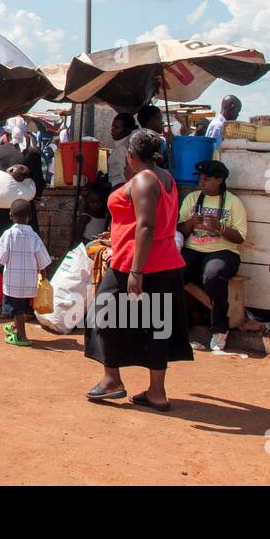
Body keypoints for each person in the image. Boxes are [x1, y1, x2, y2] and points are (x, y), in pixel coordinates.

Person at [84, 128, 192, 410]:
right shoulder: (165, 177)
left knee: (102, 315)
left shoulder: (144, 179)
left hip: (136, 263)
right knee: (155, 325)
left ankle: (112, 380)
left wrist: (136, 271)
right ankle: (157, 392)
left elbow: (146, 225)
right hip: (164, 261)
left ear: (132, 155)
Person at [177, 159, 248, 351]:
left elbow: (240, 237)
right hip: (193, 249)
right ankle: (178, 326)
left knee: (214, 274)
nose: (201, 182)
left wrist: (220, 227)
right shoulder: (192, 198)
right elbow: (179, 231)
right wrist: (191, 223)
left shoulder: (233, 203)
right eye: (200, 178)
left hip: (223, 251)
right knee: (174, 270)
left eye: (206, 179)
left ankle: (219, 329)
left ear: (220, 179)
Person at [0, 198, 54, 347]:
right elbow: (41, 257)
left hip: (13, 280)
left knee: (17, 310)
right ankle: (14, 327)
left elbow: (1, 255)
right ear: (29, 217)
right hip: (29, 281)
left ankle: (21, 336)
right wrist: (42, 271)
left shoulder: (9, 234)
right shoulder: (34, 236)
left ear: (10, 216)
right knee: (20, 307)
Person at [106, 112, 137, 186]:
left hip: (118, 187)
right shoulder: (122, 144)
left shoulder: (123, 148)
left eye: (117, 128)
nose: (112, 130)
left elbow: (125, 178)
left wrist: (109, 185)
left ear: (128, 129)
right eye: (112, 126)